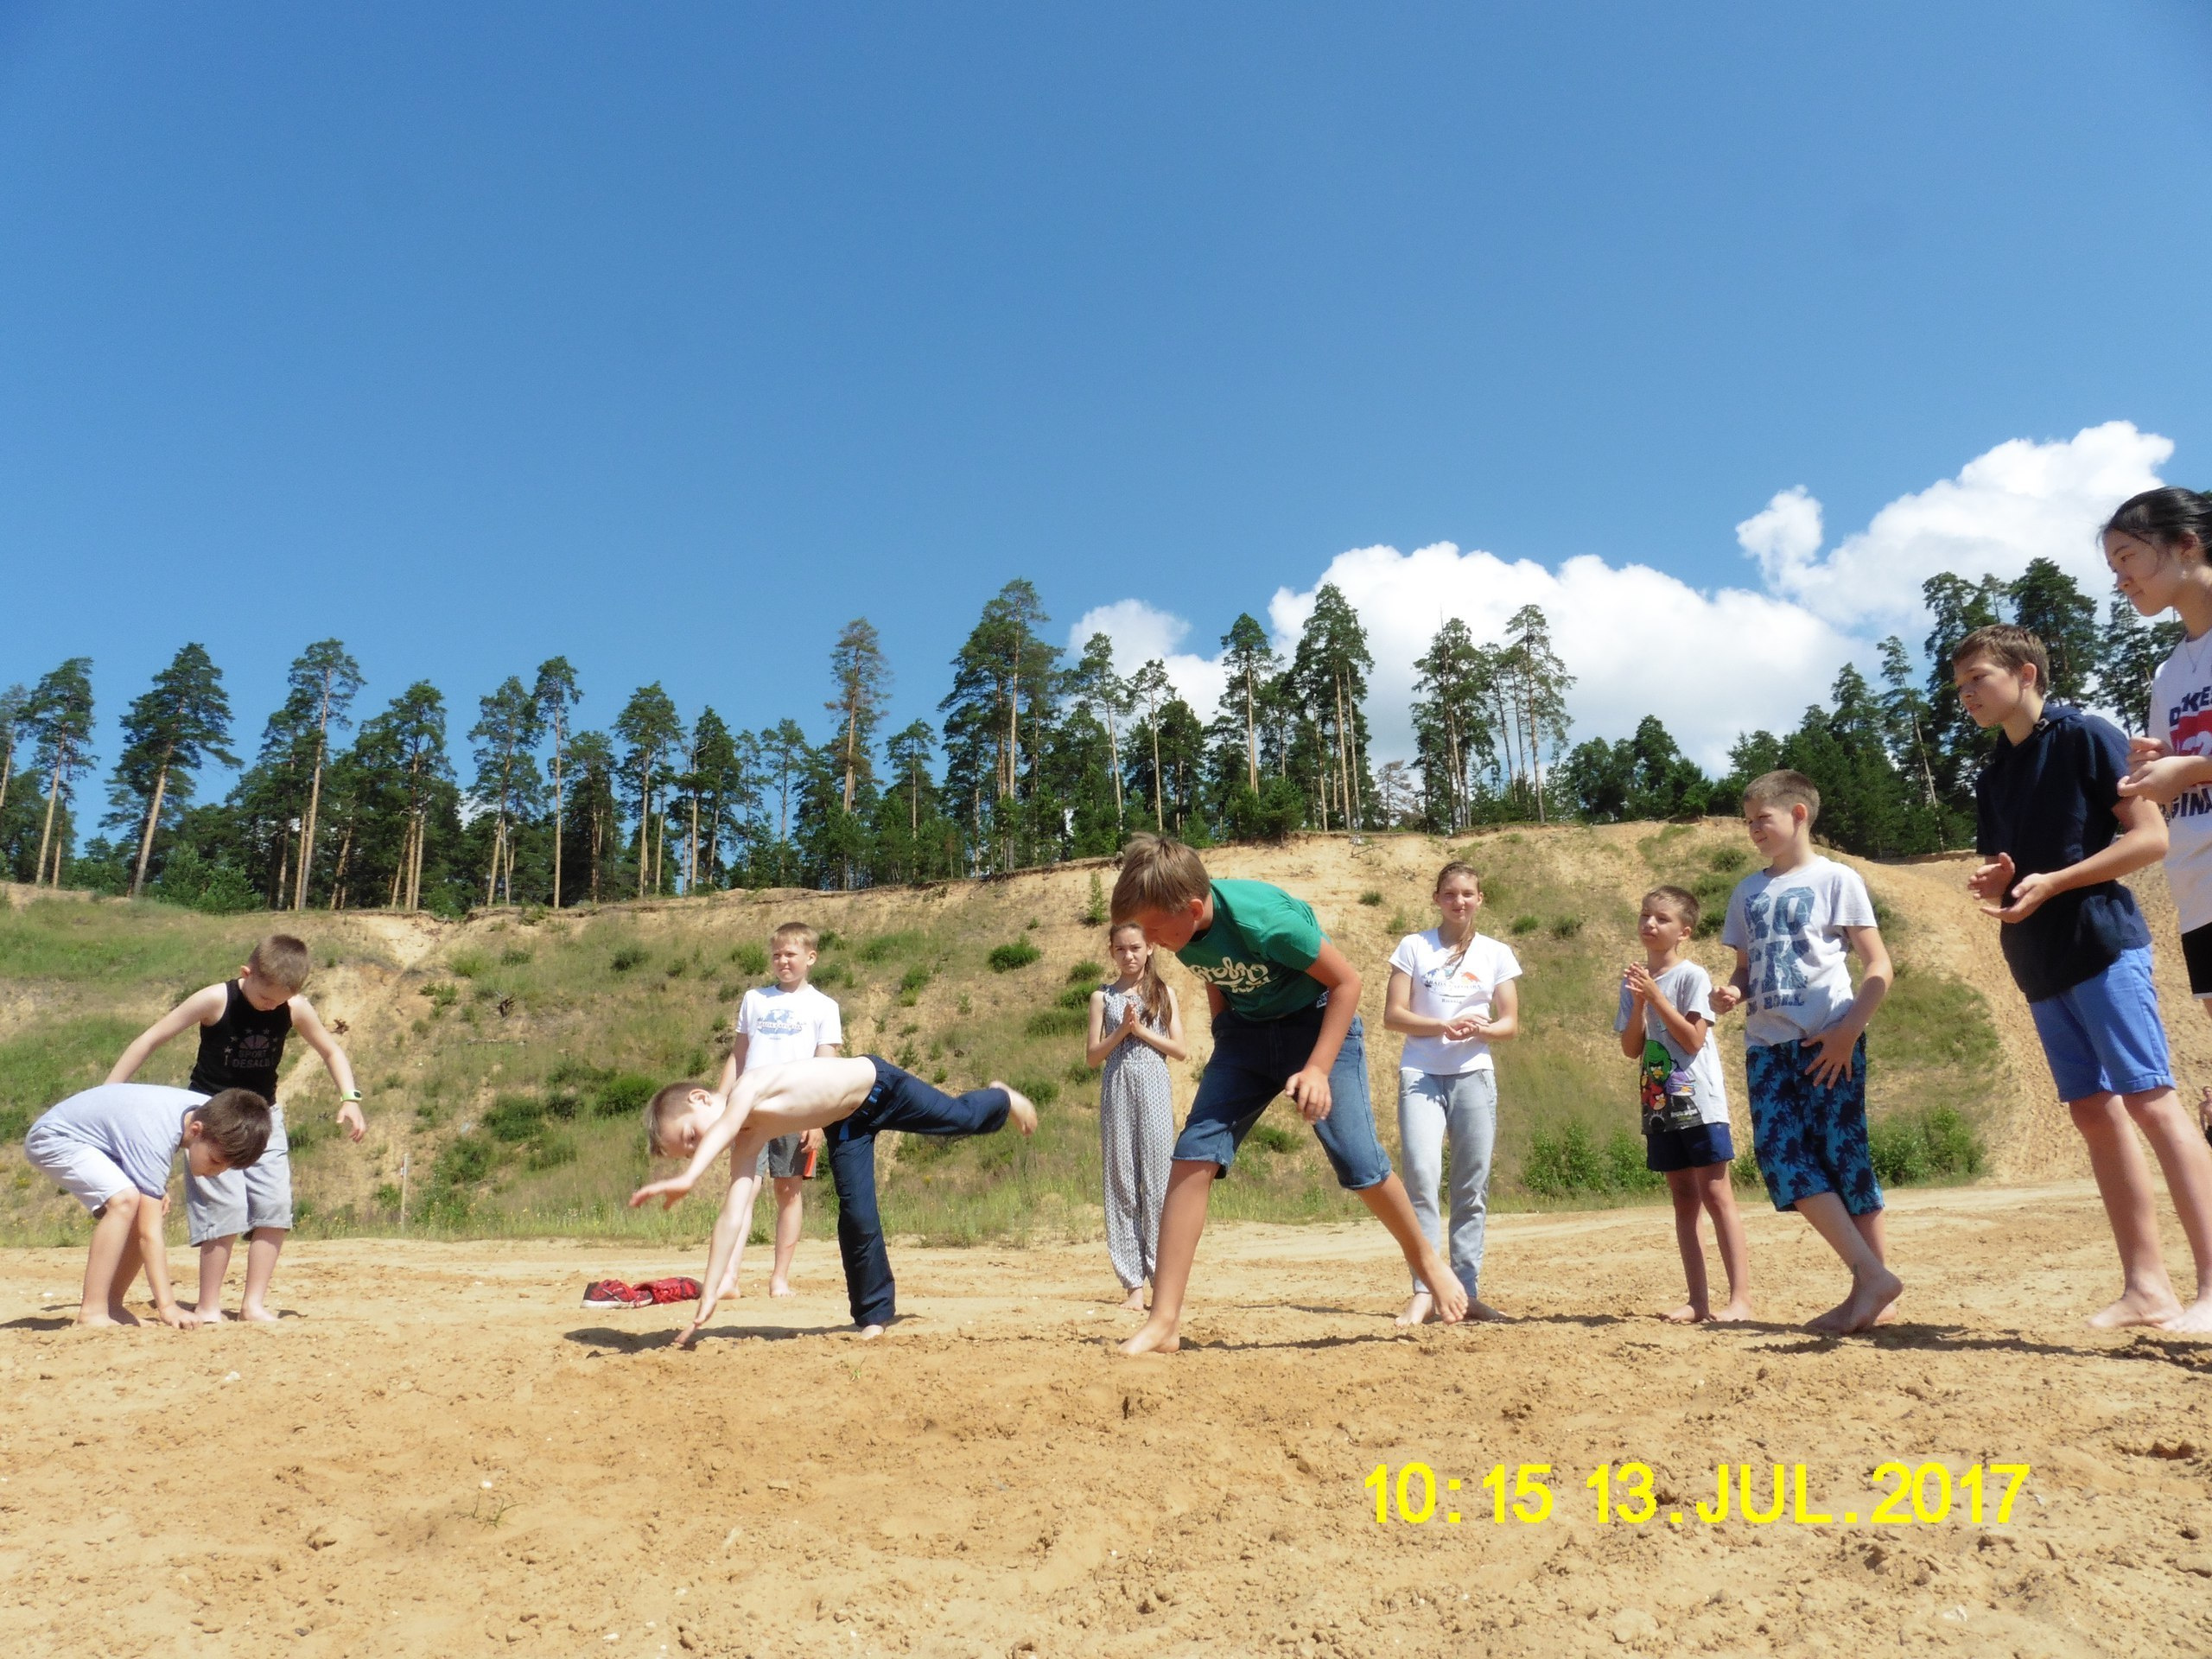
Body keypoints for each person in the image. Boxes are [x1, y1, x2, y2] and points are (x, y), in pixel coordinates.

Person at [1108, 833, 1470, 1356]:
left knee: (1358, 1159)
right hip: (1247, 1037)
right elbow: (1217, 972)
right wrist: (1224, 1031)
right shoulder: (1180, 928)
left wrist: (1318, 1069)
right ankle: (1164, 1322)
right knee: (1192, 1156)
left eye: (1158, 931)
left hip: (1317, 1022)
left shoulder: (1265, 922)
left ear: (1190, 908)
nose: (1154, 942)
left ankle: (1429, 1262)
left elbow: (1346, 981)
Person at [1959, 620, 2212, 1332]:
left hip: (2102, 943)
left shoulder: (2084, 735)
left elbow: (2151, 837)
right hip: (2038, 958)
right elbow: (2009, 874)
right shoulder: (1993, 775)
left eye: (1979, 678)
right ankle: (2147, 1288)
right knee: (2093, 1113)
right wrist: (1998, 885)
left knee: (2152, 1102)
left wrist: (2058, 880)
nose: (1967, 695)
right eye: (1960, 686)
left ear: (2026, 675)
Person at [632, 1058, 1037, 1343]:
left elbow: (724, 1127)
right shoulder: (747, 1141)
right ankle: (875, 1315)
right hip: (846, 1125)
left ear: (702, 1098)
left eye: (690, 1136)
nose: (698, 1147)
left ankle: (1000, 1097)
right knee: (857, 1215)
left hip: (882, 1086)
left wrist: (688, 1176)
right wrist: (708, 1297)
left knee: (959, 1120)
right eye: (689, 1152)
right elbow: (731, 1216)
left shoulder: (747, 1088)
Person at [1713, 772, 1901, 1335]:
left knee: (1846, 1162)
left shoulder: (1838, 879)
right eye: (1747, 821)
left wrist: (1848, 1034)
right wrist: (1732, 991)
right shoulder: (1746, 892)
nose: (1753, 830)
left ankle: (1876, 1292)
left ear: (1798, 814)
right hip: (1765, 1047)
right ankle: (1873, 1277)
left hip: (1829, 1043)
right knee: (1782, 1161)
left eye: (1761, 819)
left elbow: (1878, 966)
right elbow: (1745, 971)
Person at [106, 933, 364, 1323]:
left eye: (280, 1001)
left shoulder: (294, 1007)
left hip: (263, 1117)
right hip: (211, 1118)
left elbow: (330, 1049)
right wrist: (110, 1093)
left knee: (274, 1209)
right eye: (266, 998)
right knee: (223, 1208)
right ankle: (209, 1306)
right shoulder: (215, 999)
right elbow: (151, 1038)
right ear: (247, 974)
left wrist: (350, 1098)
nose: (271, 1006)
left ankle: (252, 1305)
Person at [1382, 860, 1519, 1325]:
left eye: (1468, 893)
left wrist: (1484, 1028)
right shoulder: (1413, 947)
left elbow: (1510, 1023)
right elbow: (1393, 1015)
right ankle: (1424, 1289)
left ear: (1480, 899)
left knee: (1470, 1186)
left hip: (1474, 1075)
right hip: (1420, 1073)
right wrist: (1443, 1024)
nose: (1459, 901)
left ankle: (1466, 1291)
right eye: (1450, 893)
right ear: (1437, 898)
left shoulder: (1497, 953)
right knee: (1421, 1178)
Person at [24, 1083, 270, 1329]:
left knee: (144, 1206)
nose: (218, 1171)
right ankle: (93, 1311)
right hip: (53, 1138)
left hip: (102, 1143)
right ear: (196, 1130)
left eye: (227, 1167)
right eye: (216, 1160)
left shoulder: (214, 1113)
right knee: (124, 1201)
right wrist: (168, 1307)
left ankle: (112, 1306)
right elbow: (149, 1235)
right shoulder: (156, 1133)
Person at [1617, 886, 1750, 1323]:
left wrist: (1656, 998)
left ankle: (1740, 1300)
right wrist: (1639, 1002)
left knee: (1716, 1194)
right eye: (1645, 915)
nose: (1649, 924)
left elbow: (1693, 1039)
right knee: (1682, 1200)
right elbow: (1631, 1048)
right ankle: (1698, 1300)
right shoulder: (1634, 980)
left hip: (1699, 1102)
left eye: (1662, 919)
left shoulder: (1691, 975)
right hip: (1658, 1102)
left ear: (1684, 932)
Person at [711, 921, 842, 1298]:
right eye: (777, 955)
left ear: (811, 957)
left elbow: (827, 1067)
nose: (783, 961)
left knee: (788, 1191)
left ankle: (779, 1277)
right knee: (743, 1189)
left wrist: (818, 1121)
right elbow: (739, 1054)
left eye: (791, 954)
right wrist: (723, 1101)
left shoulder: (824, 1007)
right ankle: (729, 1278)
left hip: (796, 1111)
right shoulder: (755, 999)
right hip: (750, 1110)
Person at [1084, 921, 1188, 1311]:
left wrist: (1141, 1033)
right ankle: (1133, 1286)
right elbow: (1093, 1057)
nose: (1129, 955)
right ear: (1112, 952)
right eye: (1121, 949)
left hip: (1155, 1088)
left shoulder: (1164, 993)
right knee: (1121, 1181)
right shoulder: (1102, 997)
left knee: (1159, 1183)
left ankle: (1162, 1279)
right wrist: (1121, 1033)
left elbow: (1180, 1049)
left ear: (1150, 949)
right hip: (1116, 1088)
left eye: (1135, 948)